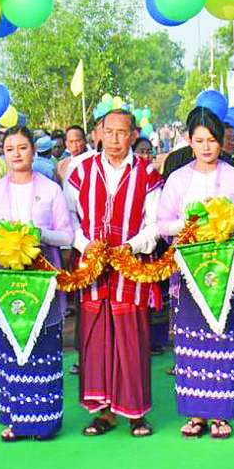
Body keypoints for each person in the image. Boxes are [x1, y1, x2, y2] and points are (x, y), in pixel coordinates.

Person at [155, 108, 234, 439]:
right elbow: (162, 224)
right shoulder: (178, 179)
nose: (206, 147)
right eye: (199, 140)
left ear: (221, 142)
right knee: (191, 340)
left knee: (223, 338)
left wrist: (225, 221)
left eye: (212, 140)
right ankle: (196, 413)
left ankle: (222, 414)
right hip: (189, 272)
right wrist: (193, 224)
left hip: (225, 271)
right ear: (189, 141)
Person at [0, 126, 74, 442]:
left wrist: (38, 234)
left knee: (43, 345)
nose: (16, 154)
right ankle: (15, 420)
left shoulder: (51, 189)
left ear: (33, 150)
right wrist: (3, 241)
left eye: (22, 148)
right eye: (10, 149)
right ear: (3, 153)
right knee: (10, 347)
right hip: (6, 283)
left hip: (41, 279)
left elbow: (67, 235)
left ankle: (46, 422)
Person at [66, 108, 163, 438]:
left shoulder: (147, 174)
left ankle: (136, 413)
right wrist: (85, 245)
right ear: (99, 134)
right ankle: (103, 413)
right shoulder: (81, 171)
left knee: (132, 340)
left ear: (134, 135)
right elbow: (69, 218)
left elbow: (155, 224)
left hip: (130, 269)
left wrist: (131, 247)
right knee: (96, 340)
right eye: (109, 132)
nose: (115, 139)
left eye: (122, 132)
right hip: (92, 269)